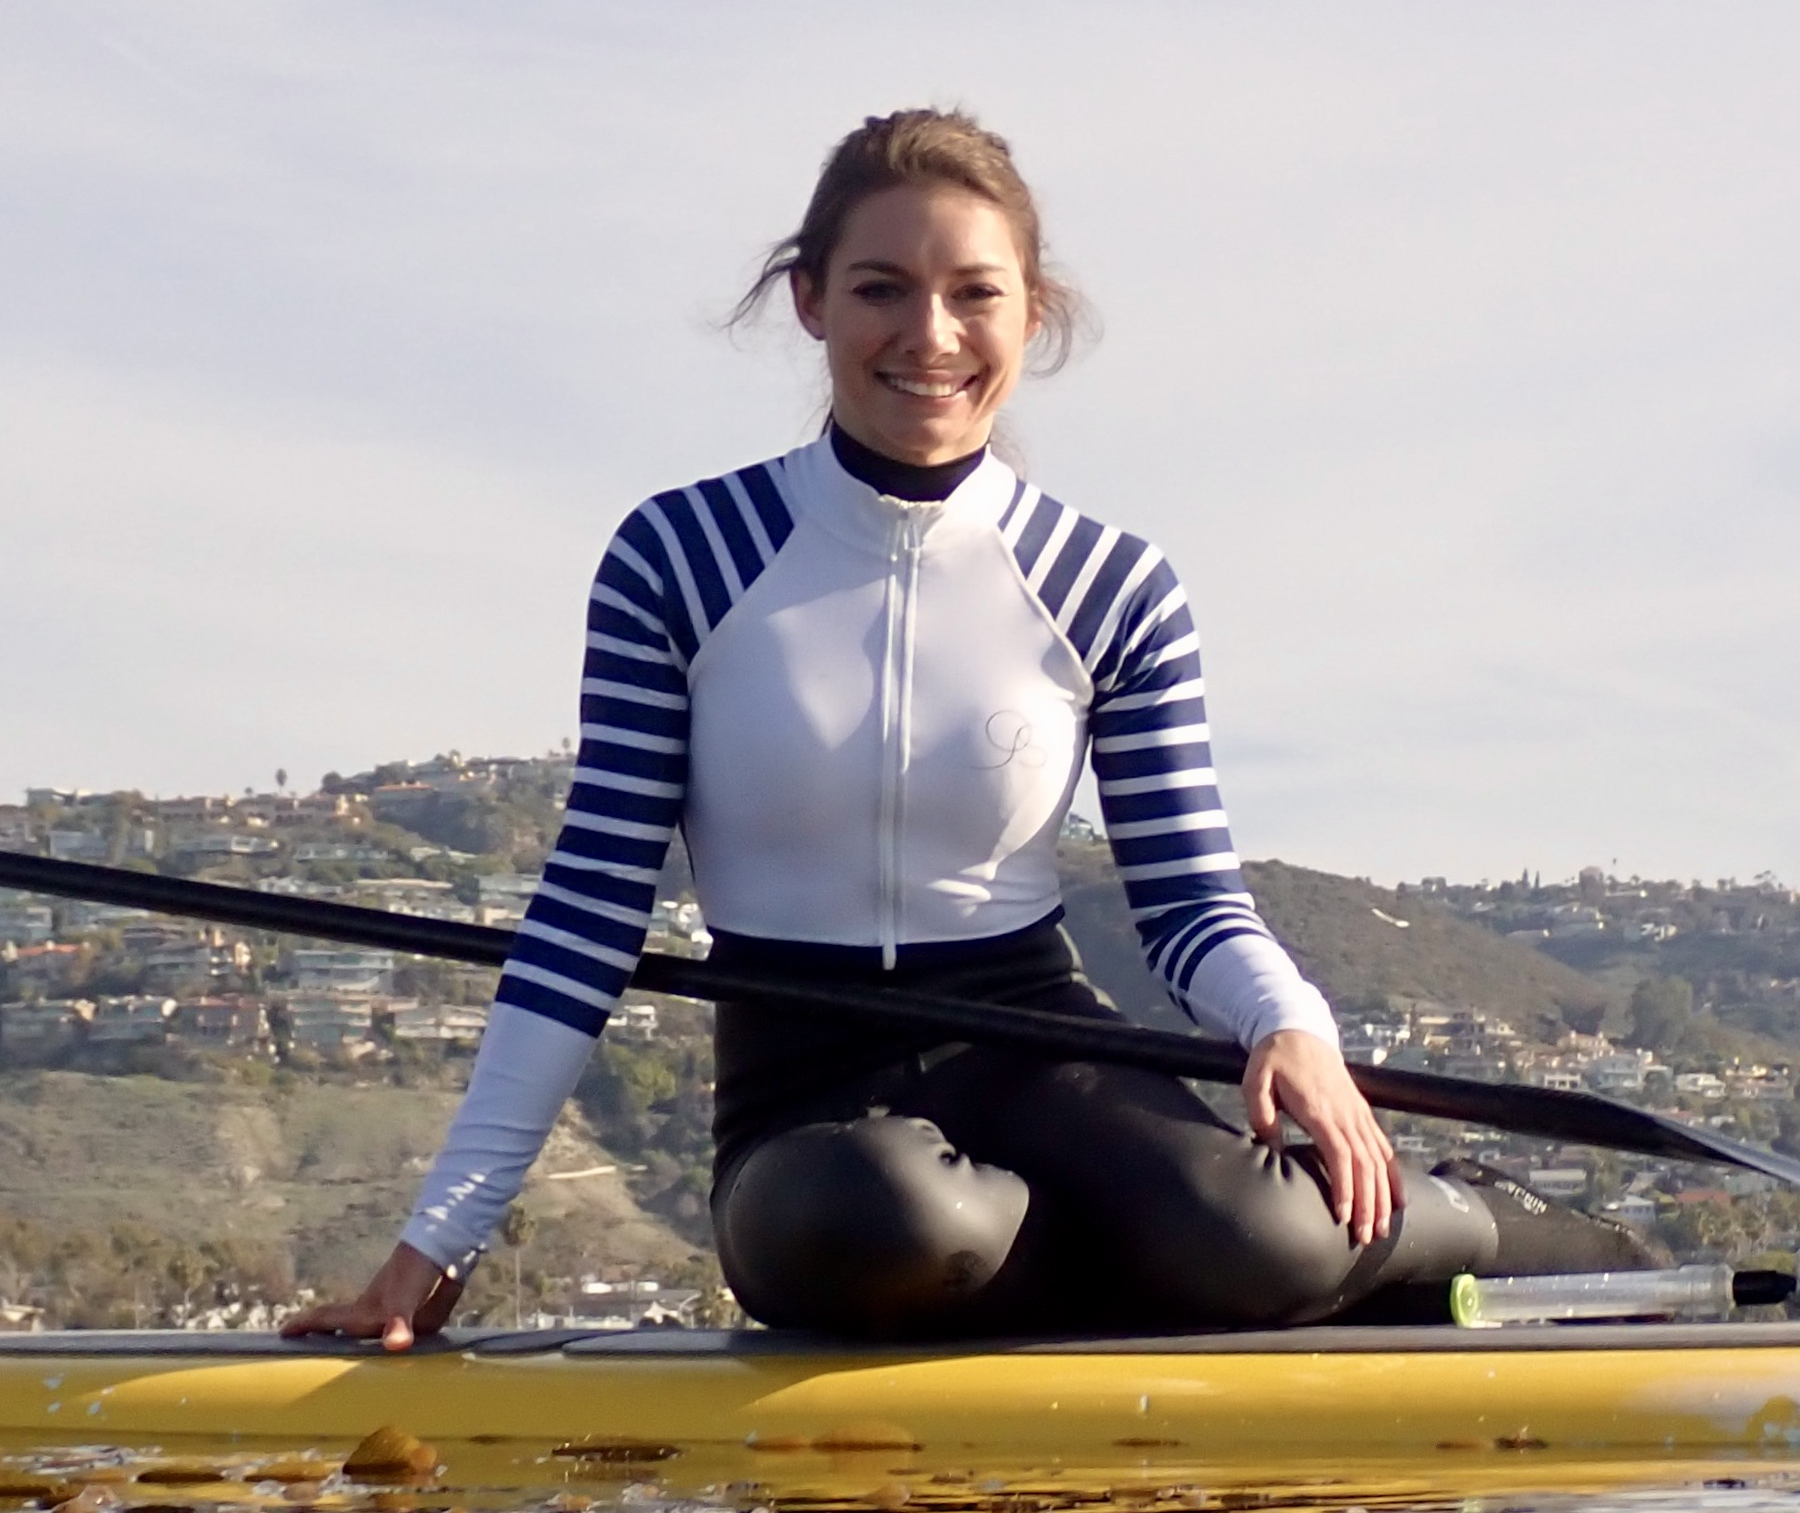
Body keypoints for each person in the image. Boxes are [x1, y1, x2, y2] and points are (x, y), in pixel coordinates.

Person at [289, 109, 1621, 1349]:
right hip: (804, 1095)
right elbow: (586, 913)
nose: (930, 334)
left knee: (1249, 1229)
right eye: (881, 288)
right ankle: (1180, 1272)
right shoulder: (677, 557)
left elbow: (1189, 902)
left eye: (974, 294)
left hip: (1039, 1046)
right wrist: (437, 1243)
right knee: (883, 1223)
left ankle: (1513, 1239)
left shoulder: (1111, 582)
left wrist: (1292, 1026)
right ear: (809, 300)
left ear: (1030, 316)